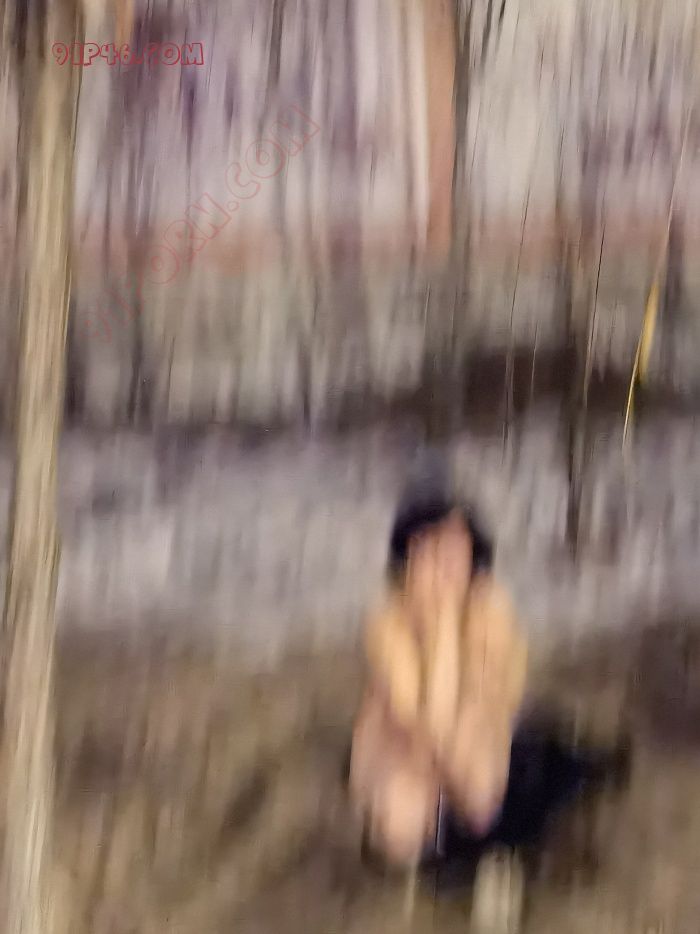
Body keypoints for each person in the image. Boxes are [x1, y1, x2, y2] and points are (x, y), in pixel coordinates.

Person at [349, 492, 528, 870]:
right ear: (408, 562)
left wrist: (448, 620)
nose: (445, 567)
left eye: (455, 553)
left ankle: (472, 848)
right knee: (402, 817)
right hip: (402, 744)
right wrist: (440, 624)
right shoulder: (388, 618)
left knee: (479, 786)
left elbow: (486, 704)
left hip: (470, 742)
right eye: (430, 552)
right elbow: (421, 719)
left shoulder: (490, 608)